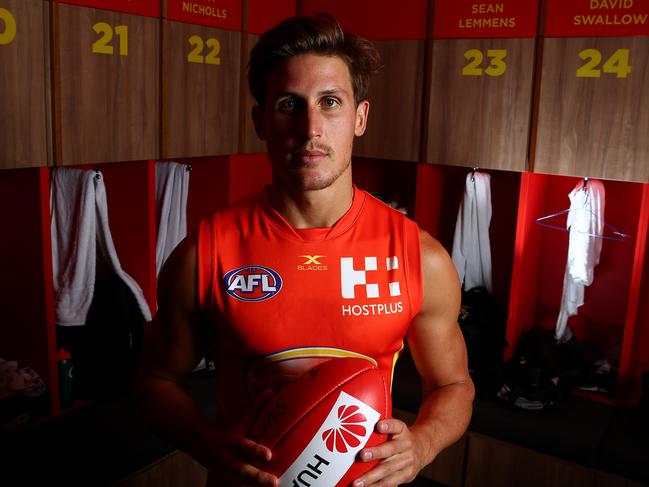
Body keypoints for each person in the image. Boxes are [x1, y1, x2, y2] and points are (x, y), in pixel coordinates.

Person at [136, 13, 474, 487]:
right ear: (260, 121)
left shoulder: (421, 257)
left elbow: (454, 385)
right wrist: (208, 444)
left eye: (330, 102)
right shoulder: (204, 253)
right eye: (288, 104)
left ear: (359, 118)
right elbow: (157, 382)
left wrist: (423, 443)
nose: (310, 127)